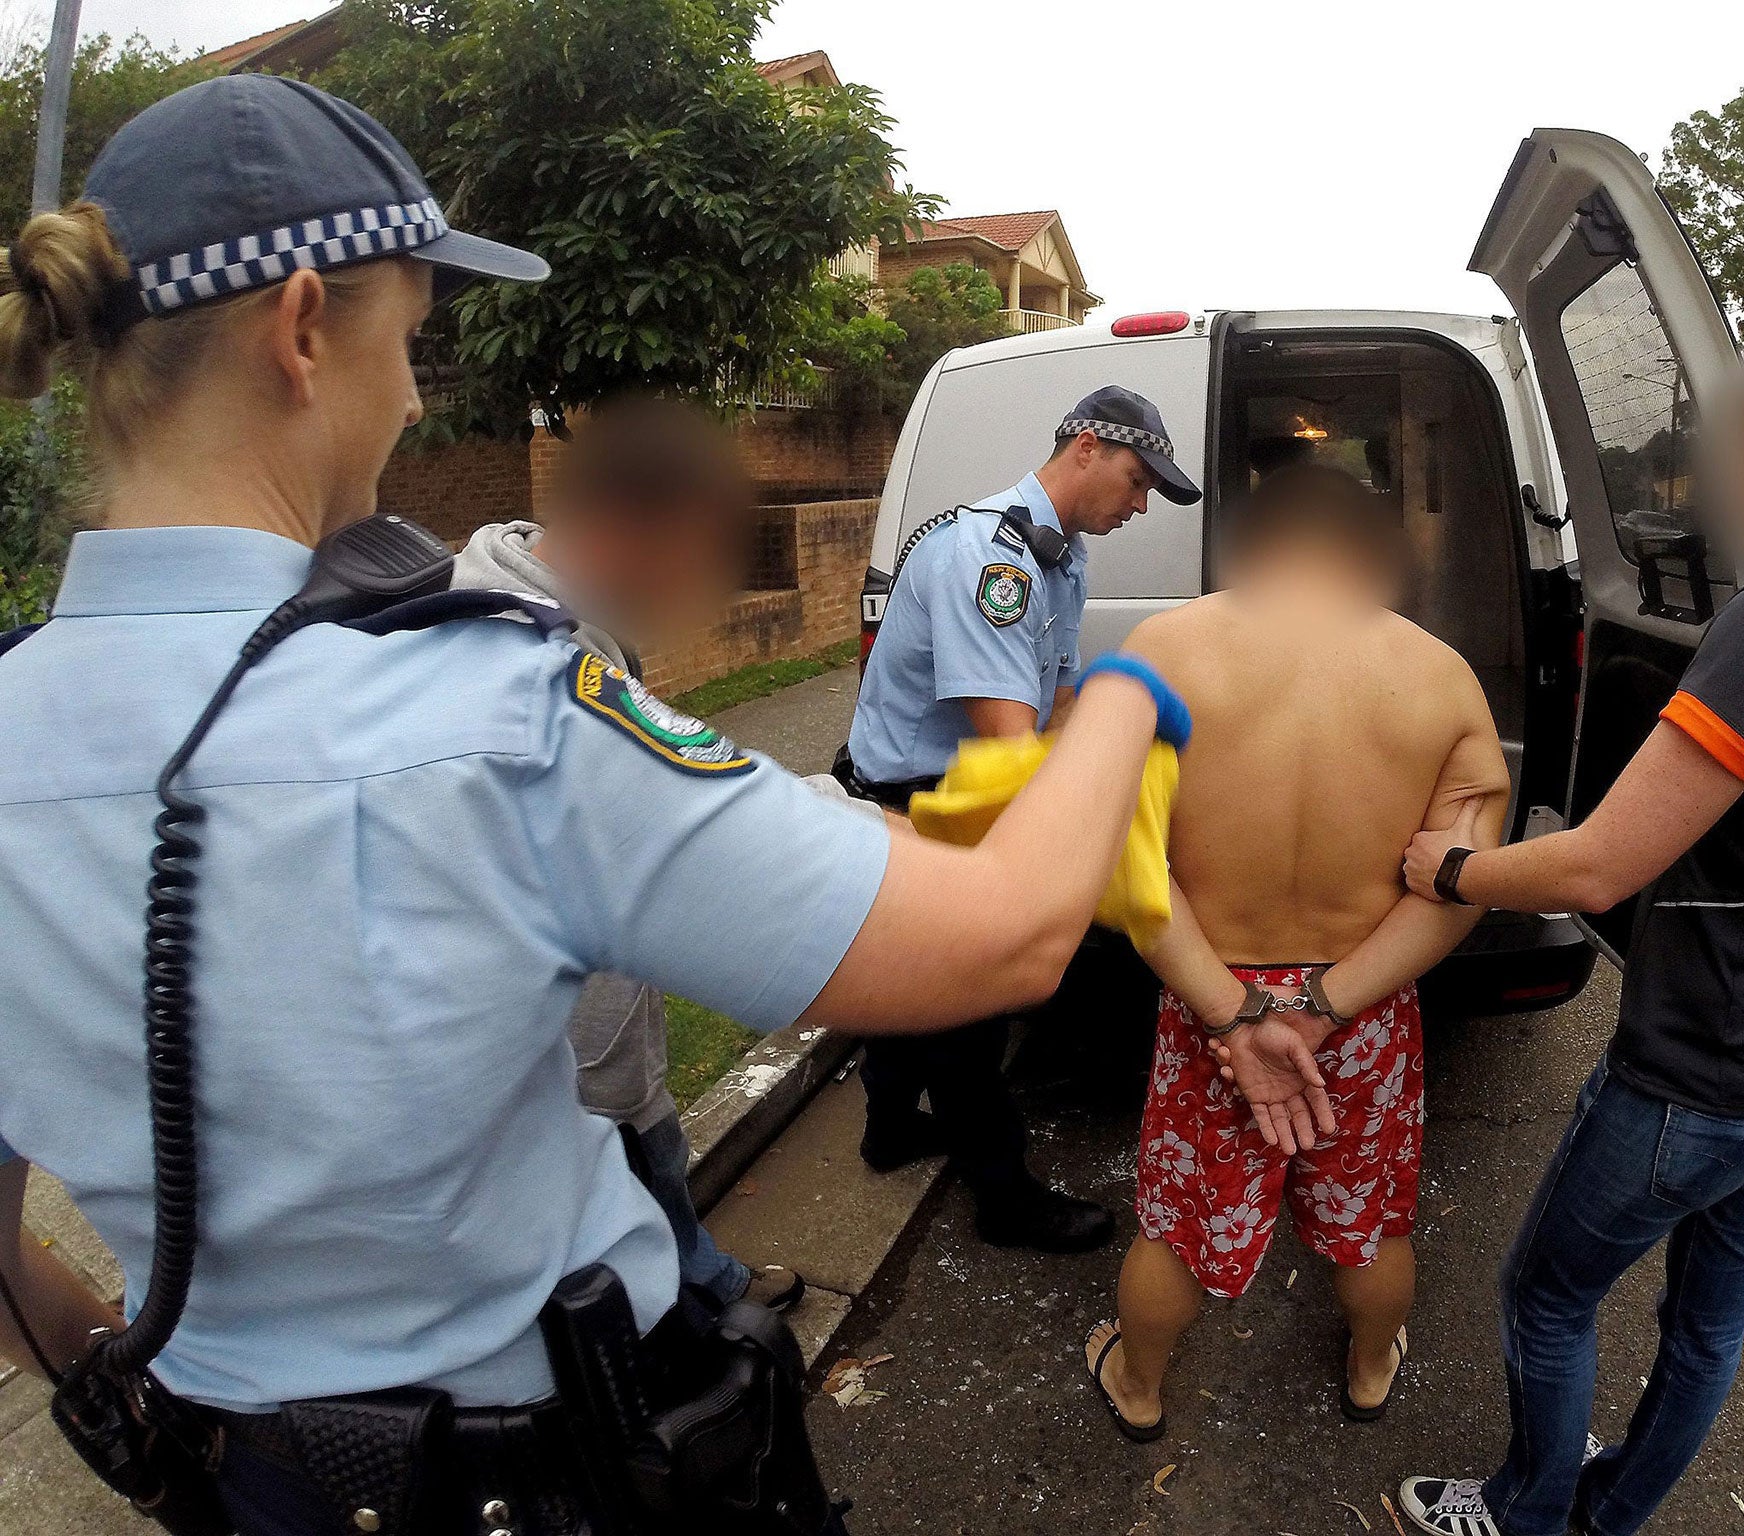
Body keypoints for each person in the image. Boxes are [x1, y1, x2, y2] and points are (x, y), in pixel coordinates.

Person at [0, 76, 1188, 1536]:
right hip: (549, 1475)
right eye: (412, 335)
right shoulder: (485, 711)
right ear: (305, 328)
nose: (422, 394)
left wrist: (164, 1435)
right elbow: (1003, 938)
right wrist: (1141, 698)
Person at [1395, 328, 1744, 1536]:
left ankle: (1520, 1513)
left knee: (1545, 1298)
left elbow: (1602, 859)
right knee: (1707, 1320)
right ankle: (1607, 1516)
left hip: (1701, 1071)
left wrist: (1446, 868)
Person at [1077, 467, 1510, 1441]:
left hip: (1210, 1002)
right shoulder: (1441, 678)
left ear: (1247, 547)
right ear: (1367, 553)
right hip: (1359, 1009)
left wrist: (1232, 1011)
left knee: (1178, 1228)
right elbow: (1458, 890)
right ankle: (1366, 1367)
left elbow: (1121, 863)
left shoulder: (1159, 653)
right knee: (1367, 1219)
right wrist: (1327, 998)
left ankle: (1137, 1384)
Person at [453, 395, 804, 1315]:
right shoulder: (542, 673)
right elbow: (714, 825)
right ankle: (690, 1317)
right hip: (560, 1074)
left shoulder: (529, 604)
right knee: (618, 1248)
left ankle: (700, 1278)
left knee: (655, 1167)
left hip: (601, 1044)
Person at [841, 385, 1202, 1254]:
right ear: (1084, 446)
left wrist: (1110, 741)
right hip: (931, 799)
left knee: (905, 978)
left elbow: (1059, 695)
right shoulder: (993, 557)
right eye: (1136, 478)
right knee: (969, 997)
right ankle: (1004, 1197)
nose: (1141, 502)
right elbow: (1010, 739)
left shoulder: (1059, 554)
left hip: (952, 788)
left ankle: (889, 1129)